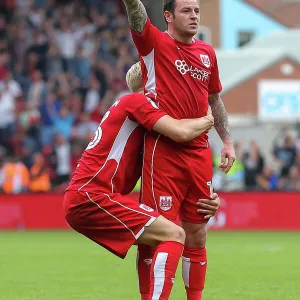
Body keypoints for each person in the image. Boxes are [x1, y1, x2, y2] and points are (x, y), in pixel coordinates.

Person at [63, 63, 220, 300]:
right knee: (175, 235)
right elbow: (180, 132)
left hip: (89, 196)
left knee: (158, 236)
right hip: (92, 196)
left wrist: (206, 194)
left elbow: (174, 164)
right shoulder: (136, 102)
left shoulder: (140, 120)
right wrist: (208, 120)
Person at [122, 0, 236, 299]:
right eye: (187, 10)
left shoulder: (207, 53)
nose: (194, 16)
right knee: (158, 232)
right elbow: (137, 19)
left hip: (199, 153)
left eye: (197, 10)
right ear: (168, 16)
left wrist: (227, 140)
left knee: (197, 233)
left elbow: (215, 99)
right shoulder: (155, 43)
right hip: (163, 150)